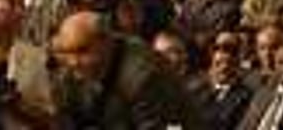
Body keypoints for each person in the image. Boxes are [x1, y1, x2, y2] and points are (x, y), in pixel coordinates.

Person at [51, 10, 201, 128]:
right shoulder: (74, 69)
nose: (73, 62)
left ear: (105, 43)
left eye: (82, 51)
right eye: (68, 52)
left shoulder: (144, 76)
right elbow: (66, 115)